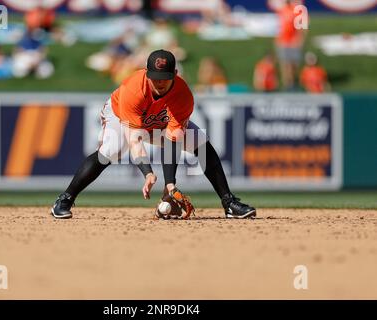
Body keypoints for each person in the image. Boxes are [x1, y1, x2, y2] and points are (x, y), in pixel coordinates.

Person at [50, 49, 256, 220]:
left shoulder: (183, 95)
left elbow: (173, 139)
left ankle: (229, 203)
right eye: (155, 77)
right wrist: (148, 172)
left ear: (175, 73)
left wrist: (169, 185)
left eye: (164, 78)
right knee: (110, 151)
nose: (159, 82)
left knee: (201, 145)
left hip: (159, 120)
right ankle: (65, 199)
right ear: (146, 73)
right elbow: (134, 139)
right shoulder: (133, 89)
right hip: (119, 114)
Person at [275, 0, 306, 90]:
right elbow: (279, 27)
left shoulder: (296, 10)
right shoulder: (281, 10)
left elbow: (302, 27)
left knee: (293, 64)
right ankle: (287, 84)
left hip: (293, 42)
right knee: (285, 64)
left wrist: (300, 39)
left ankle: (293, 82)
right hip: (283, 41)